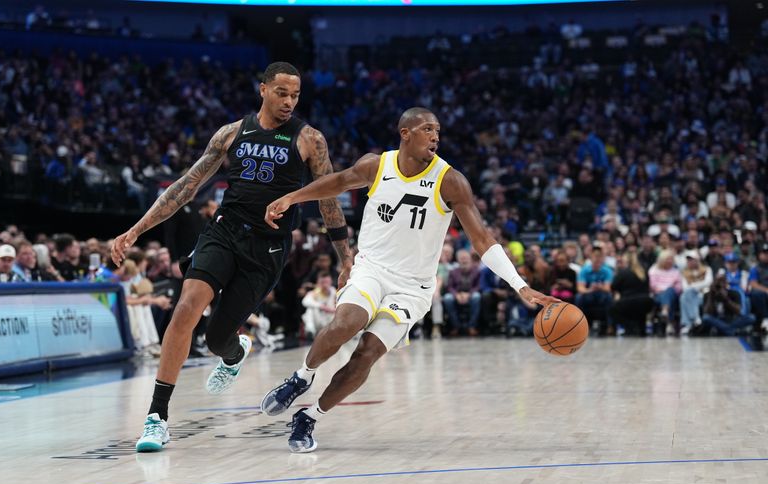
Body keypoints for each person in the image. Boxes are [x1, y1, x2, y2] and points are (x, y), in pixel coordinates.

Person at [260, 107, 558, 453]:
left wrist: (518, 284)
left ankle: (310, 416)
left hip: (413, 286)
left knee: (367, 352)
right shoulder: (377, 165)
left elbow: (481, 239)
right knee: (347, 321)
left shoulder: (451, 181)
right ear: (406, 133)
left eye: (438, 131)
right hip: (372, 268)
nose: (435, 136)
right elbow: (339, 181)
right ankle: (302, 377)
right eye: (427, 129)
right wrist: (291, 197)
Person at [110, 62, 352, 452]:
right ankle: (157, 418)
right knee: (186, 307)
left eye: (295, 95)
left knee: (215, 338)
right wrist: (136, 230)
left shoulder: (310, 140)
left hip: (267, 247)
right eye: (282, 93)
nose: (289, 101)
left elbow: (329, 201)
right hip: (223, 231)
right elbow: (185, 188)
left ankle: (234, 351)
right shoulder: (231, 133)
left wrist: (346, 258)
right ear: (263, 89)